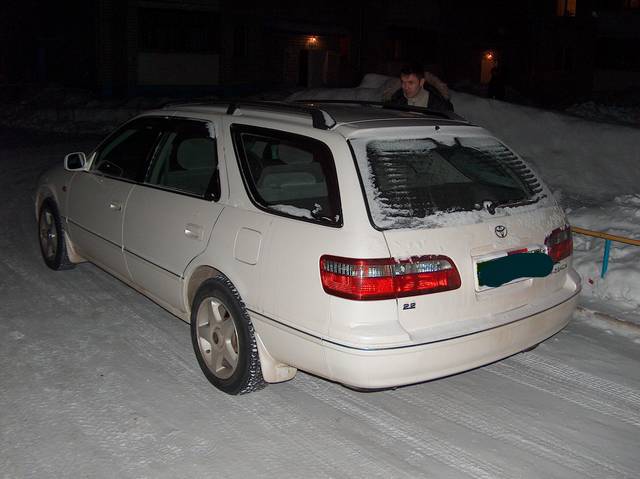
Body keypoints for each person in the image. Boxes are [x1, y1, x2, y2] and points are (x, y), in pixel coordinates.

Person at [389, 63, 454, 112]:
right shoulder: (396, 99)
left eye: (410, 83)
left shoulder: (437, 103)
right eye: (403, 82)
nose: (405, 87)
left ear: (421, 82)